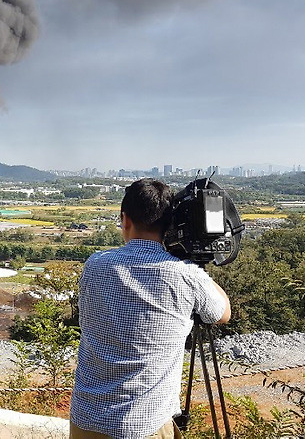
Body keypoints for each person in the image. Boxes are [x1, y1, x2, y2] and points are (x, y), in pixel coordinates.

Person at [70, 178, 231, 439]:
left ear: (125, 219)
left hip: (88, 420)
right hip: (145, 425)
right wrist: (199, 268)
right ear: (169, 225)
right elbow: (222, 313)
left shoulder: (95, 265)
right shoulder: (187, 276)